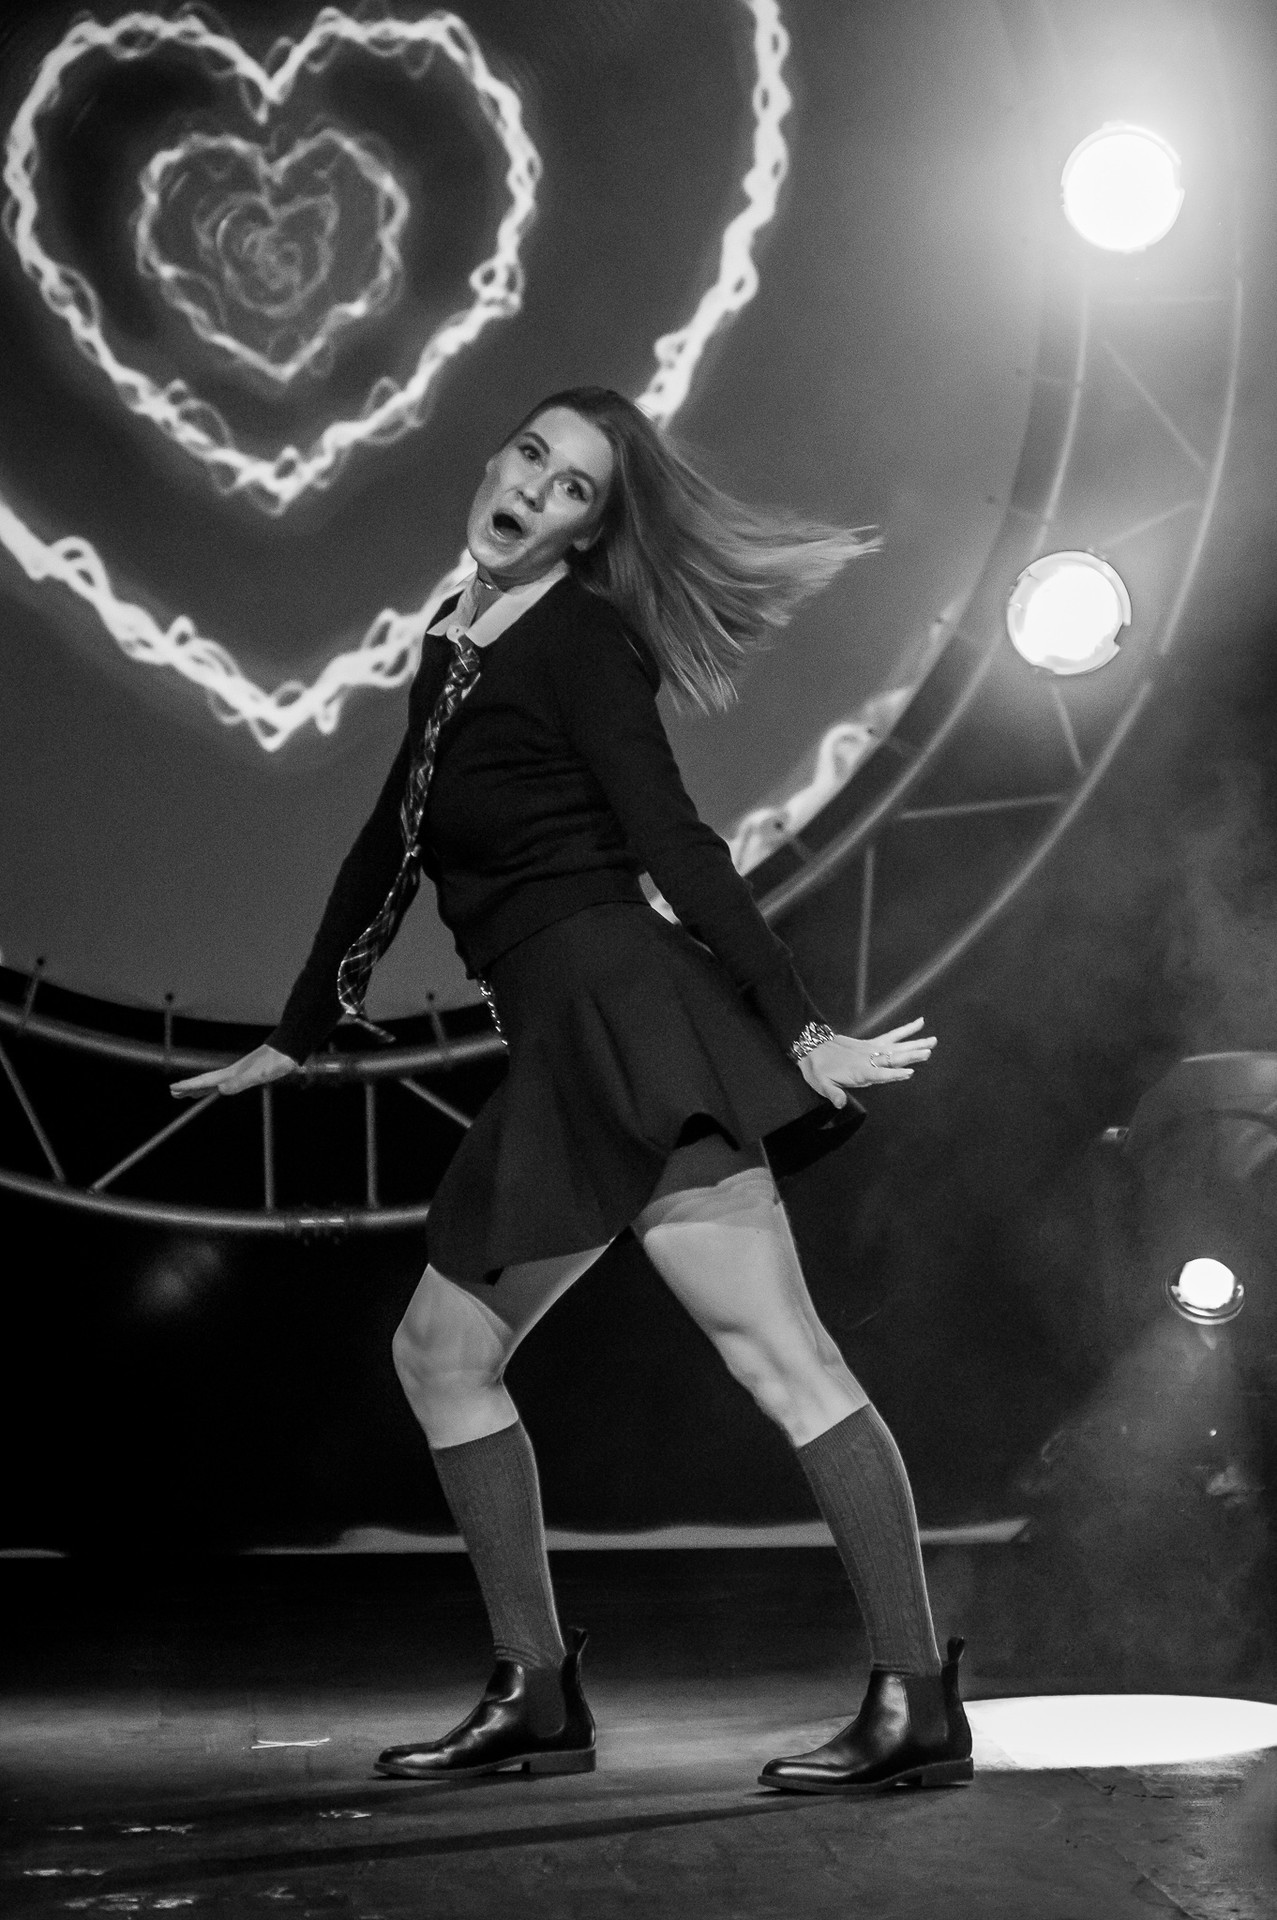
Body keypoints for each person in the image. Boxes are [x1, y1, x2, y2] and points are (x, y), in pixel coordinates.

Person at [172, 387, 972, 1795]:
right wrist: (302, 1031)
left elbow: (675, 838)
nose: (534, 492)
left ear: (587, 533)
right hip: (566, 1045)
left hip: (629, 1024)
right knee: (443, 1356)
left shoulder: (581, 641)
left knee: (783, 1361)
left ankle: (915, 1702)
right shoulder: (459, 638)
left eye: (573, 490)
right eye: (533, 458)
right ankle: (535, 1694)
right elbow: (390, 844)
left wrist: (797, 1030)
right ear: (497, 458)